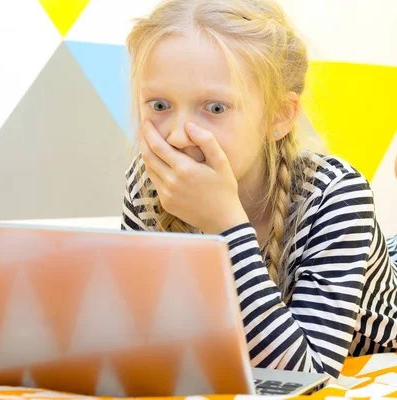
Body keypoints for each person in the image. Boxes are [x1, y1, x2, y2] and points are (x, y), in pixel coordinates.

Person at [121, 0, 397, 378]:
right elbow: (142, 337)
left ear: (279, 116)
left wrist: (226, 224)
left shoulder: (335, 192)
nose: (176, 134)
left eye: (215, 108)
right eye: (160, 104)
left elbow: (307, 376)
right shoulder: (149, 182)